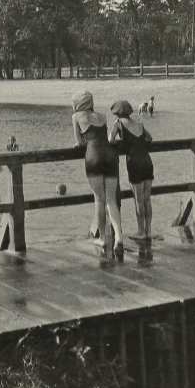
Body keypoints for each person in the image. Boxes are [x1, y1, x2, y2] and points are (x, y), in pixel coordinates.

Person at [71, 91, 124, 262]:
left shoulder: (76, 116)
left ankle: (102, 238)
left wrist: (85, 142)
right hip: (110, 155)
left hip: (93, 155)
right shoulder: (101, 115)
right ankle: (119, 238)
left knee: (99, 200)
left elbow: (80, 142)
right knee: (111, 200)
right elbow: (104, 136)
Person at [110, 100, 154, 242]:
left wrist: (121, 141)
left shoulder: (118, 124)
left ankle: (141, 231)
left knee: (139, 200)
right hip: (147, 161)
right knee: (147, 199)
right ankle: (148, 231)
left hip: (134, 163)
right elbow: (149, 137)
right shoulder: (139, 124)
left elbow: (110, 140)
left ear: (117, 113)